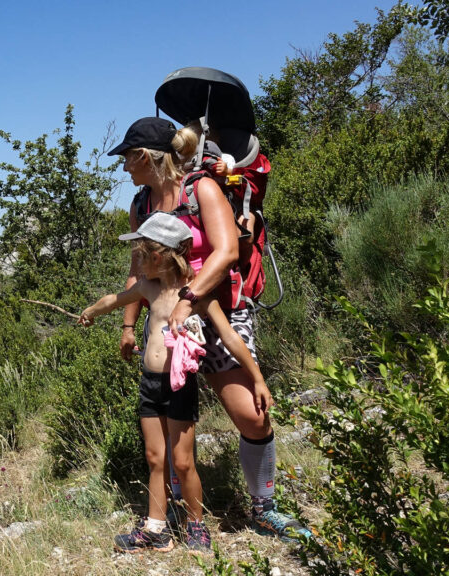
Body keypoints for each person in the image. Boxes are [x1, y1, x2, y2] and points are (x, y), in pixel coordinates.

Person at [108, 117, 311, 541]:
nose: (125, 167)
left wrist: (190, 297)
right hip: (167, 322)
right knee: (169, 428)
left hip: (218, 313)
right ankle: (181, 513)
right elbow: (136, 270)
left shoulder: (201, 189)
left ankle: (263, 507)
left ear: (145, 156)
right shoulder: (141, 205)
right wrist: (129, 327)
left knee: (252, 417)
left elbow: (227, 252)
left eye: (127, 158)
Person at [78, 212, 270, 554]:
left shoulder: (196, 296)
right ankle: (156, 530)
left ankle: (195, 525)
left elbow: (230, 337)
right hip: (150, 384)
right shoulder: (148, 288)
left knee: (182, 462)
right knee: (156, 458)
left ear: (157, 256)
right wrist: (91, 311)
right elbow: (115, 300)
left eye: (139, 254)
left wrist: (256, 379)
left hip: (179, 386)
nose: (135, 262)